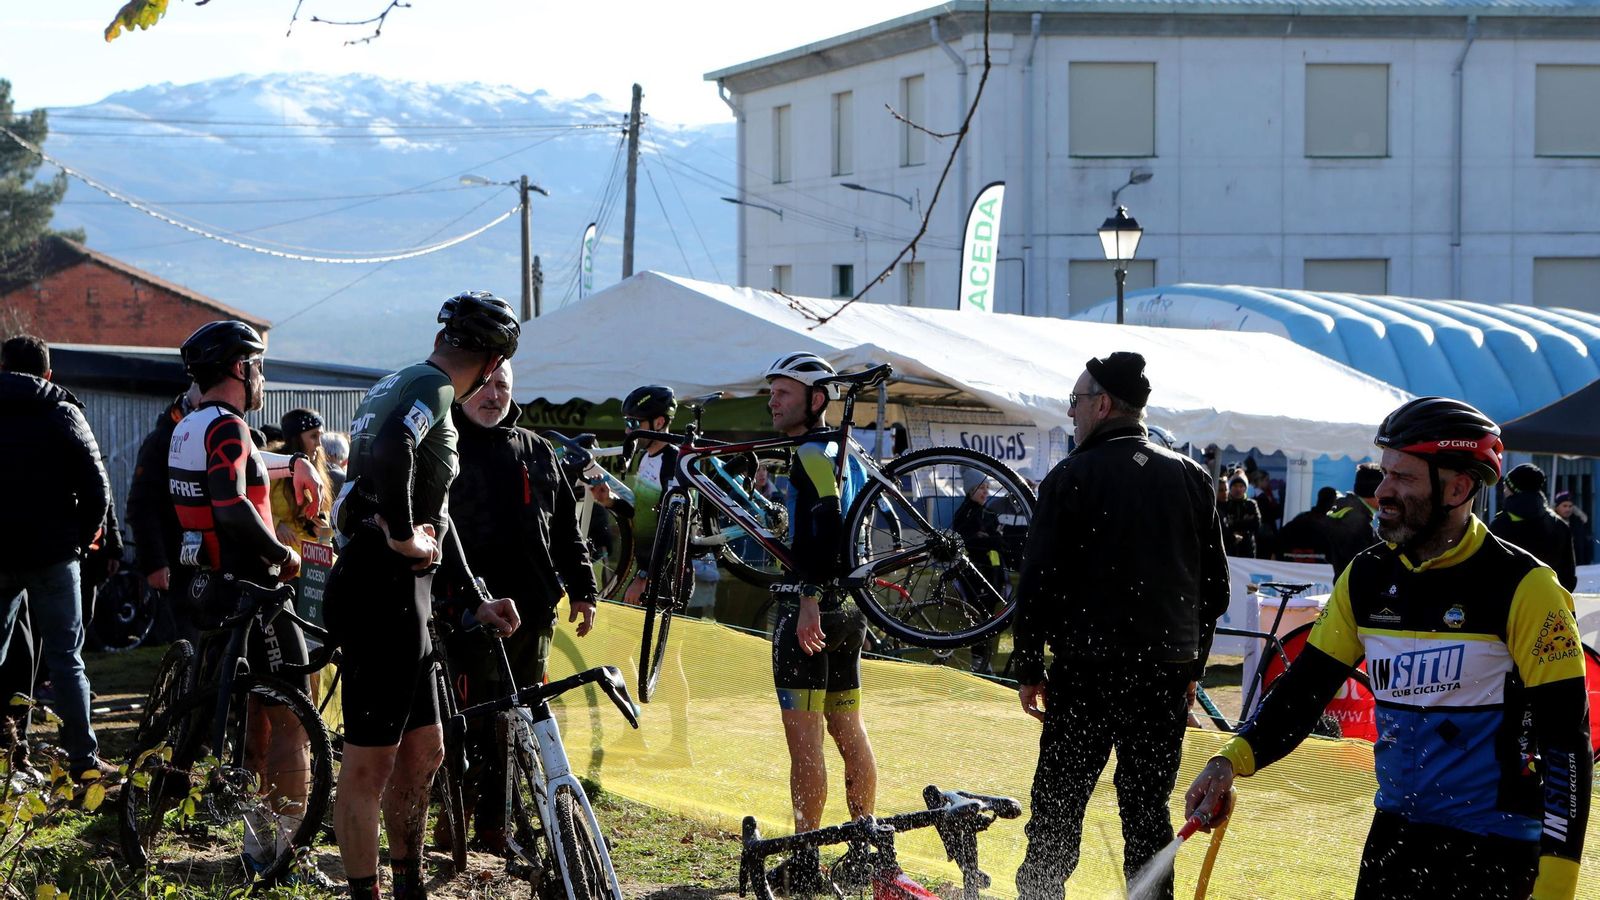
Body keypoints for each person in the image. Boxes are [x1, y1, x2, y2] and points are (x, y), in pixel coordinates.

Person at [1186, 396, 1592, 900]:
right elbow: (1306, 689)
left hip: (1496, 849)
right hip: (1396, 839)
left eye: (1404, 477)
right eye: (1384, 474)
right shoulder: (1368, 576)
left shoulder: (1527, 587)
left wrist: (1556, 885)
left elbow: (1567, 744)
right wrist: (1230, 759)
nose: (1383, 492)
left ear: (1459, 487)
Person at [324, 291, 522, 900]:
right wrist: (406, 536)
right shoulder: (433, 388)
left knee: (425, 751)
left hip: (400, 590)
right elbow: (390, 456)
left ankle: (409, 887)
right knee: (369, 764)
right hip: (381, 588)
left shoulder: (397, 382)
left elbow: (437, 511)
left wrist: (477, 594)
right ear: (491, 363)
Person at [1011, 351, 1230, 900]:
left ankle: (1041, 895)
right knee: (1146, 809)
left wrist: (1029, 666)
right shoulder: (1190, 476)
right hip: (1162, 672)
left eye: (1077, 402)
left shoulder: (1072, 475)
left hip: (1089, 669)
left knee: (1060, 803)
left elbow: (1037, 580)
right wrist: (1192, 666)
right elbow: (1216, 589)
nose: (1073, 414)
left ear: (1103, 404)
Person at [166, 320, 326, 882]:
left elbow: (242, 469)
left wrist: (294, 464)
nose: (263, 377)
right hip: (251, 586)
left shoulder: (190, 424)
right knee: (291, 720)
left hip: (207, 584)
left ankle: (261, 844)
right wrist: (282, 553)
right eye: (259, 366)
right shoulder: (230, 426)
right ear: (240, 368)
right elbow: (233, 503)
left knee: (260, 712)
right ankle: (286, 852)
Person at [439, 360, 597, 851]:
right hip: (465, 615)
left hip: (533, 614)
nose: (492, 395)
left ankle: (497, 827)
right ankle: (453, 825)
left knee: (519, 723)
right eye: (483, 384)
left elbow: (568, 531)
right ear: (463, 389)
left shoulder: (537, 449)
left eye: (502, 385)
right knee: (465, 725)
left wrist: (584, 589)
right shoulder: (442, 446)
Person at [762, 351, 877, 894]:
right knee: (848, 729)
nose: (772, 401)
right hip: (849, 609)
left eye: (782, 393)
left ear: (815, 399)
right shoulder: (843, 447)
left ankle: (806, 859)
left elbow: (826, 525)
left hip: (812, 609)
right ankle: (864, 846)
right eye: (771, 392)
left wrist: (807, 596)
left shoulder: (811, 449)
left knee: (804, 744)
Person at [0, 334, 115, 783]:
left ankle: (10, 757)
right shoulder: (62, 411)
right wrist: (80, 540)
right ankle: (84, 763)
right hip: (53, 555)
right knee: (67, 661)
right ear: (48, 373)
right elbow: (97, 488)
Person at [591, 384, 679, 604]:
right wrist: (610, 501)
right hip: (649, 567)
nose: (627, 431)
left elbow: (671, 526)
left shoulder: (672, 462)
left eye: (633, 423)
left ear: (658, 423)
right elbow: (641, 513)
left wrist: (645, 577)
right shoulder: (647, 458)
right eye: (626, 423)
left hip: (667, 572)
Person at [1491, 463, 1578, 592]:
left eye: (1506, 488)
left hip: (1510, 605)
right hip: (1549, 602)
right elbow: (1568, 576)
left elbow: (1490, 571)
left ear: (1514, 490)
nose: (1504, 492)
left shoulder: (1500, 525)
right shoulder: (1559, 525)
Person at [952, 469, 1006, 675]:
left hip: (991, 573)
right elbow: (971, 542)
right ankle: (979, 663)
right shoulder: (966, 513)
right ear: (970, 490)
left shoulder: (988, 513)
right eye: (981, 488)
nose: (985, 492)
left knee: (989, 618)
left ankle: (985, 661)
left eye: (986, 488)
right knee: (978, 618)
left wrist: (989, 539)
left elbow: (998, 542)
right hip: (973, 574)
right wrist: (989, 540)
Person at [1325, 463, 1383, 576]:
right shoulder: (1356, 521)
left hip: (1345, 587)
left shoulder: (1348, 512)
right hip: (1353, 589)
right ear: (1376, 493)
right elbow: (1363, 565)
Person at [1275, 485, 1340, 563]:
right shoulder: (1330, 524)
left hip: (1293, 565)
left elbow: (1280, 539)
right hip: (1318, 568)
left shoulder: (1300, 518)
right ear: (1332, 502)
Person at [1219, 470, 1261, 558]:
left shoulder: (1251, 504)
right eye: (1235, 486)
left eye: (1241, 486)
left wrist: (1234, 523)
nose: (1238, 489)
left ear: (1245, 488)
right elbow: (1224, 527)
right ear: (1230, 488)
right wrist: (1245, 522)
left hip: (1248, 549)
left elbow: (1256, 524)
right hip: (1229, 550)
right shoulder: (1225, 504)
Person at [1553, 490, 1593, 566]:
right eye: (1564, 506)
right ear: (1557, 507)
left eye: (1570, 506)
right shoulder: (1551, 522)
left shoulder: (1577, 522)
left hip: (1578, 566)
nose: (1568, 509)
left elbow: (1584, 545)